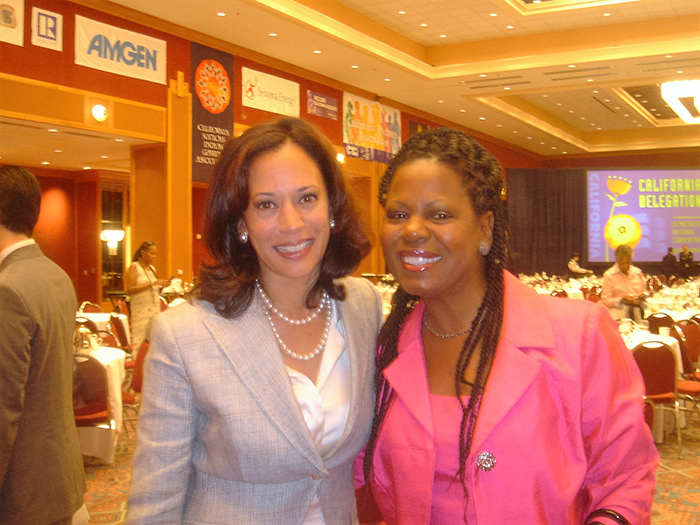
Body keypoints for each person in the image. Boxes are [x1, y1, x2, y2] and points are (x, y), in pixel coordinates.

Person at [355, 129, 658, 525]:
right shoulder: (384, 352)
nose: (412, 229)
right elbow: (356, 476)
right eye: (398, 214)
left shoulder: (578, 334)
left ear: (485, 229)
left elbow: (626, 479)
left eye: (439, 214)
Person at [127, 118, 382, 524]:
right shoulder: (186, 334)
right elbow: (155, 497)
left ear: (332, 207)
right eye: (266, 204)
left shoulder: (362, 306)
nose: (291, 224)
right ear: (241, 222)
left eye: (307, 198)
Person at [0, 166, 87, 524]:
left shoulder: (8, 288)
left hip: (22, 490)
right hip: (57, 473)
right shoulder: (55, 274)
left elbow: (4, 407)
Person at [126, 241, 169, 350]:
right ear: (143, 253)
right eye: (152, 253)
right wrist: (151, 284)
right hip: (140, 310)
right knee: (140, 338)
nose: (154, 257)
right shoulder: (134, 267)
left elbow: (154, 289)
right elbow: (130, 289)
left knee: (153, 338)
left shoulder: (152, 269)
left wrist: (162, 286)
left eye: (155, 254)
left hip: (154, 308)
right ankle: (138, 363)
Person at [601, 244, 648, 321]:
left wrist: (642, 297)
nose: (626, 266)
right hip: (619, 316)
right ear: (617, 260)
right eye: (623, 263)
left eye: (628, 263)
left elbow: (644, 291)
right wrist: (622, 300)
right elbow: (605, 300)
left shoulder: (638, 273)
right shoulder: (609, 275)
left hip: (638, 313)